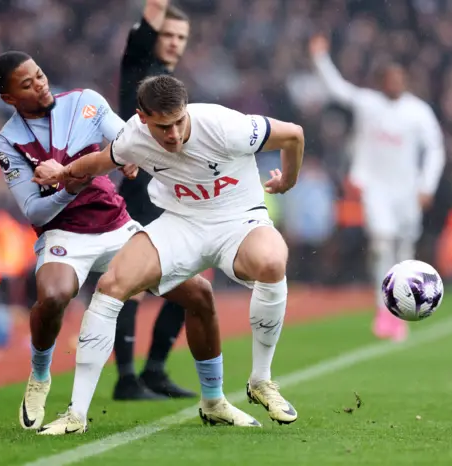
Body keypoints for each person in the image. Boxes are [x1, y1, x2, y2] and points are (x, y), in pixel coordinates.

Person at [0, 52, 245, 434]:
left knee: (199, 294)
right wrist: (71, 187)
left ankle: (214, 400)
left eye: (40, 75)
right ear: (9, 98)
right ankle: (40, 375)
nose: (39, 85)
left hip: (115, 225)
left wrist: (128, 157)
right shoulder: (8, 141)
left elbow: (126, 136)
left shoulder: (84, 103)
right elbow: (34, 213)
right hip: (64, 233)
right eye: (26, 85)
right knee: (55, 296)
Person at [33, 75, 304, 429]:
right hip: (181, 223)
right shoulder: (132, 136)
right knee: (112, 284)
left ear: (187, 109)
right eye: (163, 127)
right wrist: (63, 171)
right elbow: (98, 163)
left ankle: (260, 381)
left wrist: (288, 179)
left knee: (271, 261)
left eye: (179, 122)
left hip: (238, 221)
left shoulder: (225, 126)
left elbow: (294, 134)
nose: (173, 134)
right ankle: (76, 415)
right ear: (143, 118)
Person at [308, 35, 446, 342]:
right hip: (376, 188)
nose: (394, 83)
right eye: (389, 79)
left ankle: (406, 305)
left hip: (408, 191)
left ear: (405, 82)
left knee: (405, 248)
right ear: (381, 82)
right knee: (382, 243)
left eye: (399, 79)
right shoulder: (368, 103)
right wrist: (320, 58)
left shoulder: (418, 111)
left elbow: (435, 148)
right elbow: (337, 89)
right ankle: (384, 310)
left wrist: (427, 185)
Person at [113, 0, 195, 400]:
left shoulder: (171, 86)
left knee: (189, 285)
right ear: (153, 35)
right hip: (136, 194)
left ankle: (154, 371)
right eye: (169, 35)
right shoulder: (139, 66)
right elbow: (155, 8)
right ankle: (127, 377)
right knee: (131, 285)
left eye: (182, 38)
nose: (176, 43)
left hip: (168, 195)